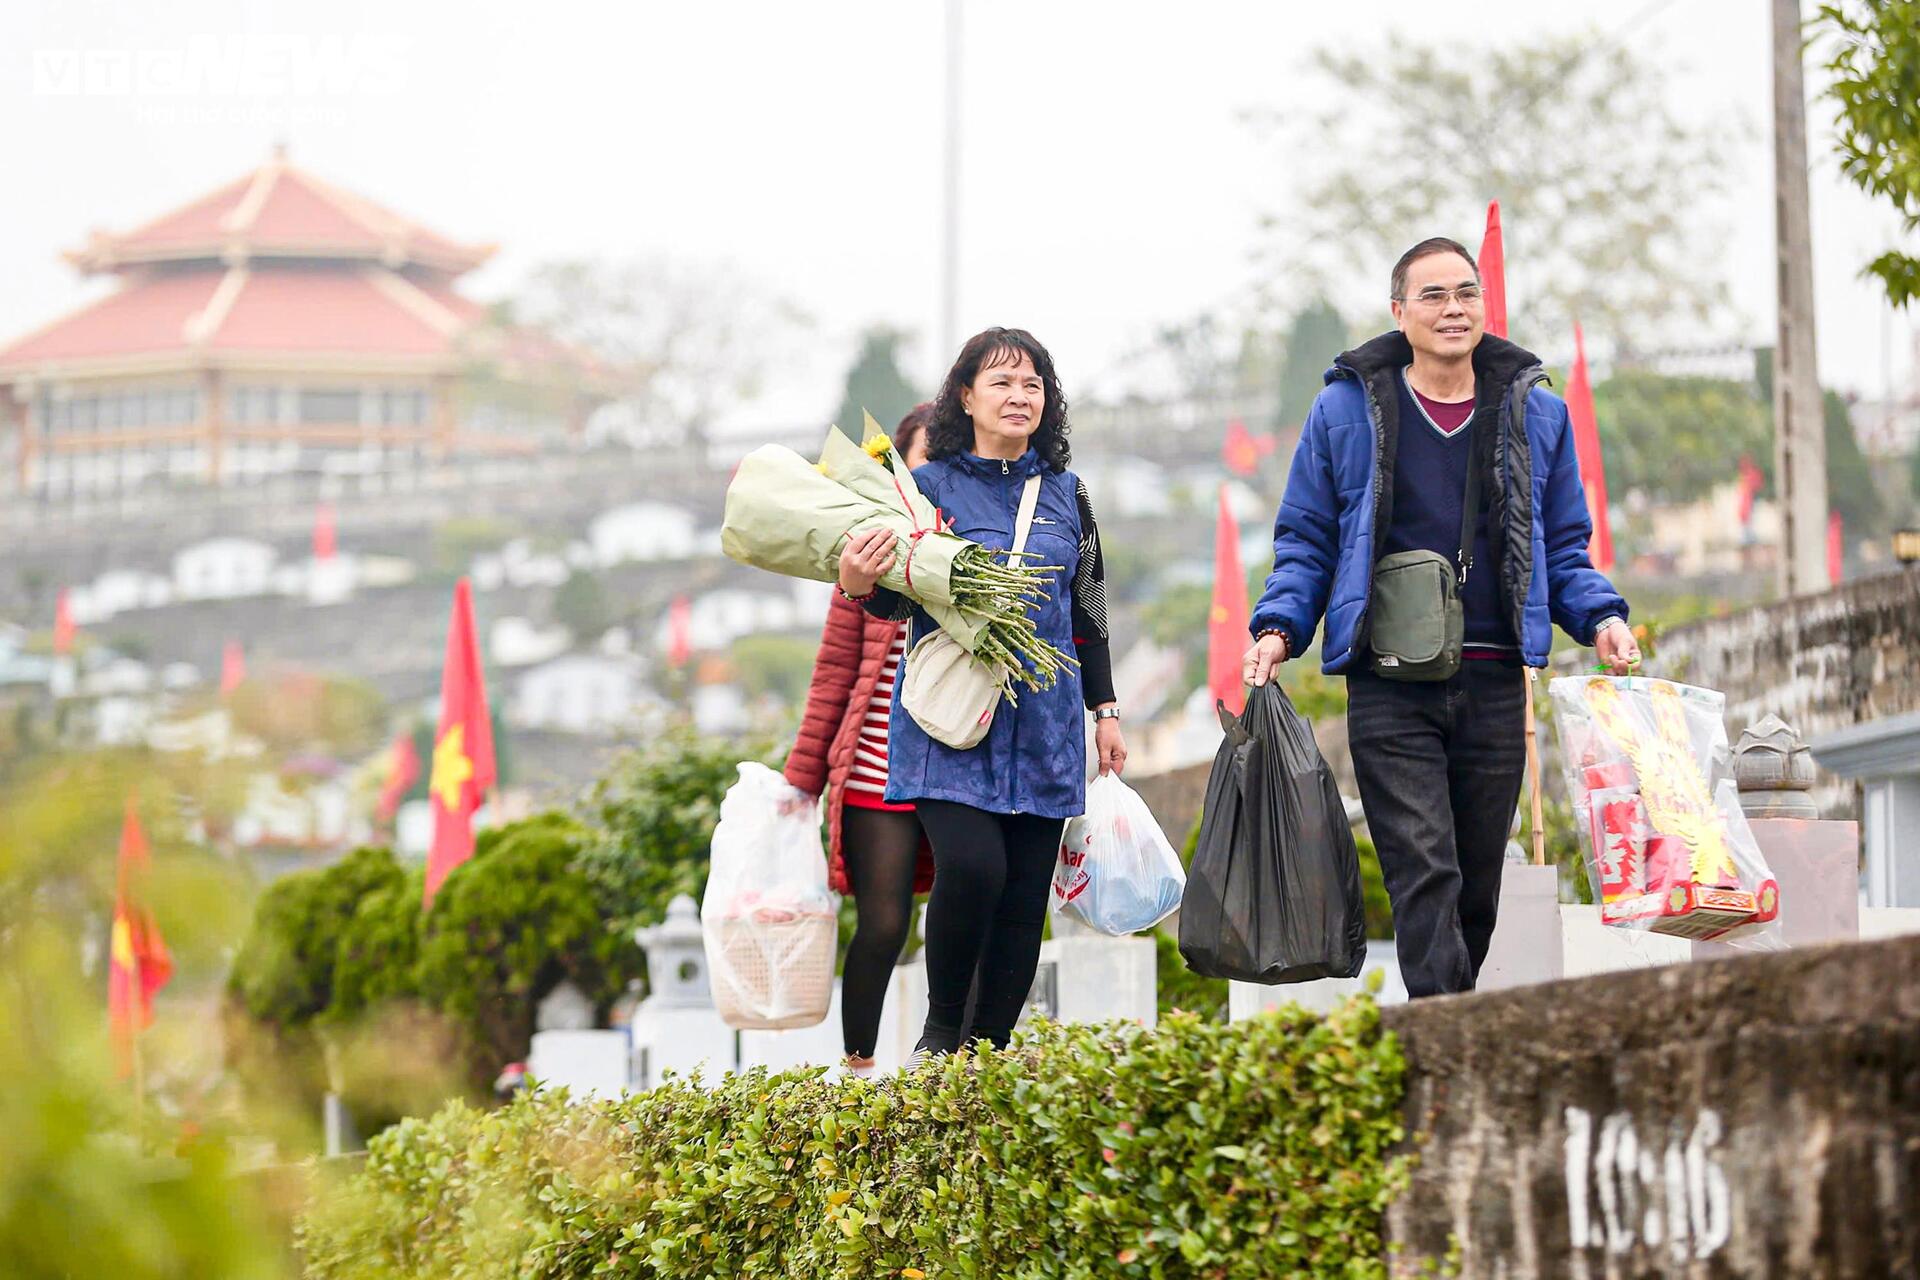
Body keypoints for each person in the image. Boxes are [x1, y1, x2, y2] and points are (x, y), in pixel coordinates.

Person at [1242, 237, 1638, 999]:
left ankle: (1446, 1022)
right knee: (1425, 868)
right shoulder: (1345, 410)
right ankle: (1443, 1041)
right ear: (1399, 311)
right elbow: (1308, 538)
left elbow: (1562, 545)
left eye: (1466, 293)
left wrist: (1602, 619)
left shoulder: (1537, 415)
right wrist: (1279, 627)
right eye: (1433, 295)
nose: (1453, 309)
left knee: (1477, 889)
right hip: (1390, 680)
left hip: (1493, 679)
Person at [839, 327, 1125, 1062]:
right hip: (951, 721)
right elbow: (897, 605)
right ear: (964, 397)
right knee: (973, 867)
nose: (1019, 396)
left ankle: (989, 1051)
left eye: (1033, 384)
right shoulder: (924, 490)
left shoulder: (1069, 495)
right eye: (1002, 382)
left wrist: (1106, 710)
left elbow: (1086, 608)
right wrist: (859, 582)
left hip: (1048, 721)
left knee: (1025, 896)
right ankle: (940, 1034)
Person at [784, 404, 937, 1079]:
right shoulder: (867, 548)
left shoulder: (986, 538)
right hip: (877, 766)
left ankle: (955, 1058)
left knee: (967, 916)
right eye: (921, 462)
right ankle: (859, 1066)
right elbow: (833, 675)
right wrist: (801, 778)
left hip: (964, 764)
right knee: (882, 923)